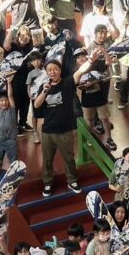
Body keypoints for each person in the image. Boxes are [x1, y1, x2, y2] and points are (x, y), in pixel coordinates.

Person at [36, 39, 92, 196]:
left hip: (65, 130)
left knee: (69, 158)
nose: (52, 72)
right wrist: (45, 91)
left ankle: (72, 180)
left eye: (55, 69)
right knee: (47, 160)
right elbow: (37, 105)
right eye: (49, 70)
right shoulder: (44, 87)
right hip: (48, 131)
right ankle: (47, 183)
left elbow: (80, 72)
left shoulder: (68, 83)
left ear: (60, 71)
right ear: (46, 73)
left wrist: (90, 61)